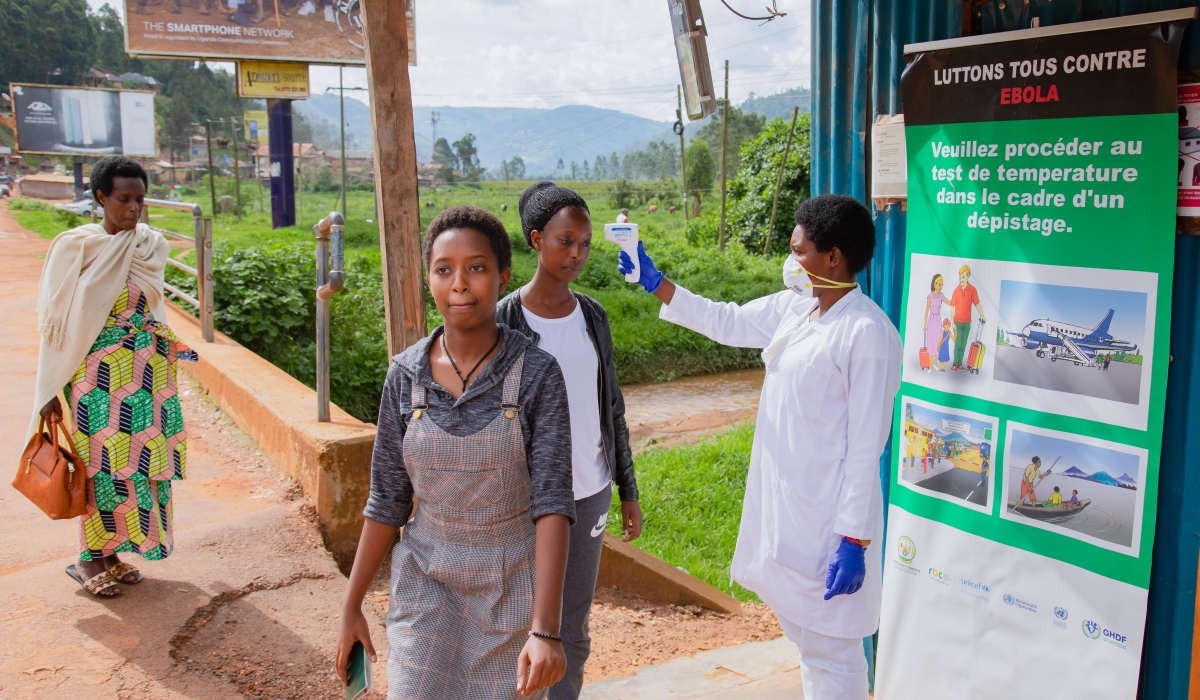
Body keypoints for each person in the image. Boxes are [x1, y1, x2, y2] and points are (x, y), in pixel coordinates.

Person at [618, 194, 901, 699]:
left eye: (799, 250)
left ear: (833, 257)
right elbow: (727, 321)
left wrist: (854, 539)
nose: (791, 260)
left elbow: (866, 446)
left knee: (834, 650)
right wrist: (657, 285)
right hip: (788, 507)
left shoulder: (867, 332)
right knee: (805, 637)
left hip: (829, 522)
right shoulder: (799, 310)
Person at [336, 206, 575, 698]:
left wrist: (545, 630)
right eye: (444, 269)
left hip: (510, 588)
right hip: (424, 582)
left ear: (503, 275)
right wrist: (350, 606)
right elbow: (387, 500)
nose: (459, 284)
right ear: (429, 279)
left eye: (477, 267)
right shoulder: (404, 376)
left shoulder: (538, 375)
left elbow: (552, 503)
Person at [496, 182, 642, 699]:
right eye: (565, 241)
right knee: (521, 624)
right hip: (524, 500)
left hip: (590, 491)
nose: (577, 254)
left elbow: (612, 407)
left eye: (584, 243)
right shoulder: (503, 321)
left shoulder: (593, 315)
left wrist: (627, 489)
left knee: (572, 628)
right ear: (536, 240)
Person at [31, 156, 194, 598]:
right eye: (123, 199)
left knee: (136, 468)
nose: (133, 208)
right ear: (101, 197)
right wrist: (49, 389)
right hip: (93, 380)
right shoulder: (75, 247)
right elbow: (58, 325)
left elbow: (154, 310)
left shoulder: (150, 245)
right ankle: (87, 559)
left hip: (145, 377)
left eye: (140, 199)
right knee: (99, 469)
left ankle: (115, 551)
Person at [949, 264, 985, 372]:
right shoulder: (956, 291)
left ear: (968, 276)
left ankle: (960, 364)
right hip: (958, 322)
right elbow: (951, 307)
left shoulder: (972, 290)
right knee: (958, 344)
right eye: (960, 277)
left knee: (963, 344)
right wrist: (952, 323)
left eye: (963, 277)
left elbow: (977, 303)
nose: (961, 279)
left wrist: (982, 314)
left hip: (967, 322)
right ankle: (955, 364)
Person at [923, 274, 952, 360]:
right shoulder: (930, 296)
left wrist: (956, 300)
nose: (941, 287)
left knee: (938, 339)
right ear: (935, 284)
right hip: (931, 319)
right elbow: (926, 311)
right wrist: (924, 325)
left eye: (942, 285)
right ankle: (930, 363)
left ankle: (935, 362)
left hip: (938, 320)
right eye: (939, 284)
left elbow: (949, 302)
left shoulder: (941, 296)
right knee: (931, 339)